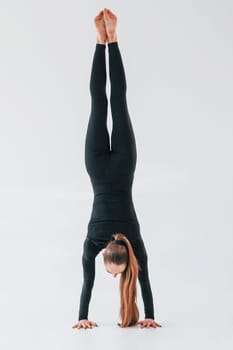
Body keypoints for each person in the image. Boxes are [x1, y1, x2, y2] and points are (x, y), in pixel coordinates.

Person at [72, 8, 162, 329]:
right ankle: (102, 40)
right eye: (116, 274)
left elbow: (144, 280)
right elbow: (88, 283)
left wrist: (150, 314)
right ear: (110, 254)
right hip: (96, 166)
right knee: (101, 102)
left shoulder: (133, 241)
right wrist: (81, 316)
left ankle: (110, 39)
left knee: (117, 101)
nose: (112, 276)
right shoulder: (93, 241)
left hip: (123, 165)